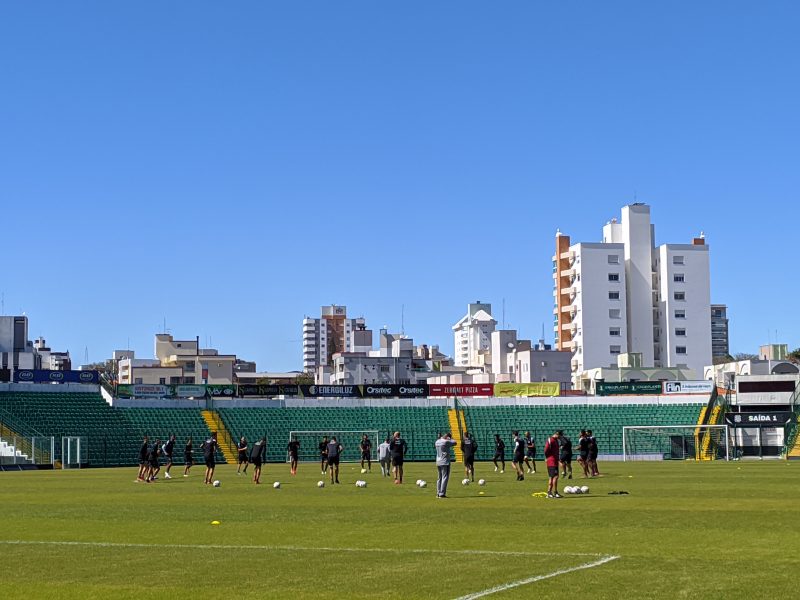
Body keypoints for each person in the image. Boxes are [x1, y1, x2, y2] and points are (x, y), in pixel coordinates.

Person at [435, 432, 458, 498]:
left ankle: (438, 492)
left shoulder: (437, 441)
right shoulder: (445, 442)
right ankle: (442, 493)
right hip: (445, 461)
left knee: (439, 477)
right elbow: (455, 442)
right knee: (445, 477)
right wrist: (449, 439)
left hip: (438, 460)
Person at [543, 430, 562, 498]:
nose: (560, 438)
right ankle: (550, 492)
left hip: (554, 461)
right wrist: (547, 457)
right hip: (552, 461)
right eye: (560, 436)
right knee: (554, 477)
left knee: (554, 477)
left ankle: (553, 492)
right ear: (557, 434)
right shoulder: (551, 440)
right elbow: (546, 450)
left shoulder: (556, 440)